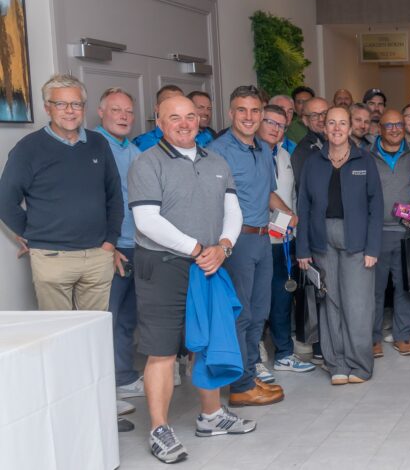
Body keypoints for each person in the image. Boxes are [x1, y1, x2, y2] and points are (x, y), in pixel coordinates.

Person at [128, 94, 251, 463]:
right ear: (160, 122)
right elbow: (147, 221)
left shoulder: (216, 161)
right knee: (162, 351)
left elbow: (234, 211)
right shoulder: (146, 163)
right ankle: (158, 429)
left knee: (208, 342)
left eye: (191, 116)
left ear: (200, 119)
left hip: (210, 262)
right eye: (175, 117)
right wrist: (199, 249)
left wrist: (224, 246)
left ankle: (211, 417)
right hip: (163, 266)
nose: (185, 123)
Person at [0, 74, 122, 312]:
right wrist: (30, 234)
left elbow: (115, 196)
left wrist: (110, 242)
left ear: (84, 108)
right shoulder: (29, 148)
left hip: (97, 255)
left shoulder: (98, 143)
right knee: (59, 333)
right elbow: (4, 199)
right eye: (60, 104)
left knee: (93, 331)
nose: (69, 111)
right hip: (52, 257)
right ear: (48, 108)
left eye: (76, 104)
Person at [208, 87, 284, 402]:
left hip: (264, 238)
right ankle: (240, 387)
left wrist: (286, 216)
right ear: (230, 113)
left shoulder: (264, 150)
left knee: (258, 312)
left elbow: (267, 193)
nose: (250, 117)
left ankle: (250, 373)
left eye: (255, 111)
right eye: (242, 110)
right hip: (236, 242)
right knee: (241, 313)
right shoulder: (218, 151)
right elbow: (211, 202)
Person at [296, 106, 383, 384]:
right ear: (324, 127)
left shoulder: (364, 160)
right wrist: (303, 249)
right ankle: (337, 364)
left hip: (357, 239)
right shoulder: (313, 162)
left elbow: (376, 207)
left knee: (357, 304)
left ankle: (359, 364)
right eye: (331, 123)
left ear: (350, 128)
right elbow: (304, 206)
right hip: (322, 239)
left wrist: (373, 249)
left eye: (342, 123)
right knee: (329, 302)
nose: (336, 128)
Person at [94, 88, 145, 414]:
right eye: (116, 110)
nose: (124, 116)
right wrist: (107, 245)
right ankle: (102, 388)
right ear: (101, 112)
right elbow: (95, 201)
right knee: (106, 319)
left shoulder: (135, 149)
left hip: (137, 243)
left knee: (128, 318)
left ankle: (124, 376)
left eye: (128, 111)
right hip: (112, 247)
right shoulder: (94, 146)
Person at [257, 104, 315, 376]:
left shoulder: (283, 154)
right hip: (254, 240)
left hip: (283, 240)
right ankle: (253, 359)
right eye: (270, 122)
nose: (275, 128)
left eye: (280, 124)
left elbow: (291, 195)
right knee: (255, 302)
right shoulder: (249, 154)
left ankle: (283, 354)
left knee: (281, 299)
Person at [370, 109, 410, 357]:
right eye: (388, 125)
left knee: (406, 287)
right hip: (376, 233)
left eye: (398, 124)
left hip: (407, 233)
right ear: (379, 128)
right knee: (374, 289)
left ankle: (403, 336)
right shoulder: (366, 155)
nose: (394, 129)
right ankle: (373, 338)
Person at [291, 96, 330, 188]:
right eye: (314, 115)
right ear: (305, 120)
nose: (321, 119)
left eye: (325, 113)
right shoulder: (303, 152)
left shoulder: (341, 142)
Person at [132, 85, 185, 151]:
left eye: (179, 103)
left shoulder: (196, 139)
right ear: (157, 108)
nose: (174, 107)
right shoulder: (140, 143)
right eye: (168, 103)